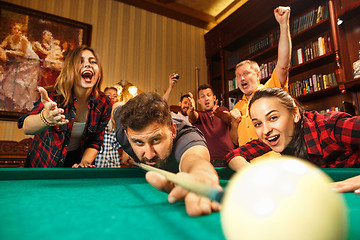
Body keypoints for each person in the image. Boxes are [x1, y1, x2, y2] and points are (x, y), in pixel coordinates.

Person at [113, 92, 221, 216]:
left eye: (155, 140)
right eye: (138, 142)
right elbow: (117, 106)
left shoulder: (186, 135)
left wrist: (201, 173)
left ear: (173, 131)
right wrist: (128, 149)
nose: (149, 155)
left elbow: (194, 157)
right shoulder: (123, 132)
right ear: (127, 136)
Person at [225, 87, 360, 173]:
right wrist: (253, 174)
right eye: (257, 123)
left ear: (295, 114)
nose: (265, 130)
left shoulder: (330, 127)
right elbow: (233, 155)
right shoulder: (273, 137)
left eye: (273, 118)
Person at [18, 45, 112, 168]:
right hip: (42, 164)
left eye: (92, 62)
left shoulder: (104, 103)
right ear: (70, 70)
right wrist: (45, 119)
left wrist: (85, 163)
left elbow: (95, 141)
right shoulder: (53, 96)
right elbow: (27, 127)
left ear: (99, 72)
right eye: (80, 61)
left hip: (74, 164)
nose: (88, 65)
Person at [229, 6, 292, 150]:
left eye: (245, 73)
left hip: (274, 163)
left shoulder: (271, 89)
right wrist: (233, 123)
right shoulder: (238, 106)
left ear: (258, 75)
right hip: (250, 167)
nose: (241, 78)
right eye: (238, 76)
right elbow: (235, 142)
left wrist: (284, 24)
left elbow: (283, 64)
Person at [187, 84, 234, 167]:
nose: (206, 98)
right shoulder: (199, 115)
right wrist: (191, 110)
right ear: (198, 101)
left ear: (214, 98)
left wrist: (218, 113)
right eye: (202, 96)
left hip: (230, 158)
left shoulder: (222, 110)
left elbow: (229, 118)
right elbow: (192, 117)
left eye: (209, 95)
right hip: (209, 162)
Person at [0, 22, 40, 112]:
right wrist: (2, 51)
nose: (16, 31)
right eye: (15, 29)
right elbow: (2, 46)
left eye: (19, 30)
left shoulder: (23, 40)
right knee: (11, 79)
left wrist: (9, 52)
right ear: (12, 29)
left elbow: (23, 54)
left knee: (22, 82)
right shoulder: (9, 38)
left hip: (29, 61)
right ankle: (13, 102)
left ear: (21, 32)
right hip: (19, 60)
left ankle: (21, 105)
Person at [95, 86, 122, 168]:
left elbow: (119, 143)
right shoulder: (97, 113)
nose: (112, 98)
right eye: (109, 95)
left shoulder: (119, 118)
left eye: (115, 96)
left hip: (114, 159)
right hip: (98, 158)